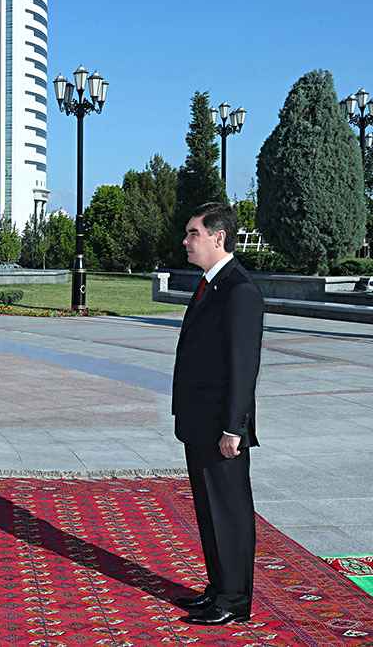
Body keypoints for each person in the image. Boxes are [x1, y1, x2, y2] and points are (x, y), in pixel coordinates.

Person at [171, 202, 264, 626]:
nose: (186, 241)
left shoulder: (239, 290)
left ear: (218, 238)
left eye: (193, 234)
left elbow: (243, 366)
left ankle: (234, 599)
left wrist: (234, 428)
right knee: (209, 511)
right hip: (199, 419)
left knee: (228, 511)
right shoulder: (211, 283)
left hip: (222, 426)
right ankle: (218, 587)